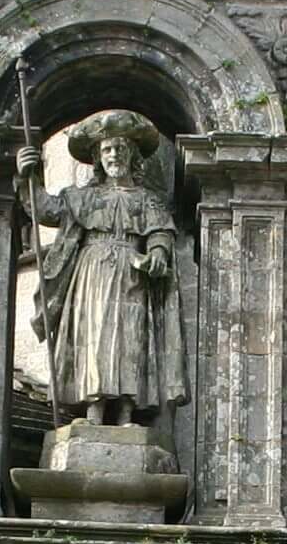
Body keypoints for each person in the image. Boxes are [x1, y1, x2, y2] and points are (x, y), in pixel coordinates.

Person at [18, 109, 187, 429]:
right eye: (107, 149)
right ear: (97, 157)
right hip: (91, 275)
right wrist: (28, 176)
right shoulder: (83, 197)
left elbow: (160, 232)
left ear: (133, 154)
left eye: (121, 148)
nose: (114, 155)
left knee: (130, 340)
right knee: (93, 338)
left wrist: (158, 252)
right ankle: (93, 412)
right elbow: (46, 209)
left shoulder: (147, 200)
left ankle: (126, 414)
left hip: (132, 275)